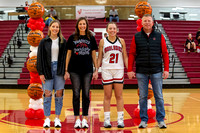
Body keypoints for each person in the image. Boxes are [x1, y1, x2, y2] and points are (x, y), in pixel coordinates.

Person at [127, 14, 169, 129]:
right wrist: (130, 69)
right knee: (142, 97)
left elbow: (165, 53)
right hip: (141, 71)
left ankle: (161, 120)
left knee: (159, 96)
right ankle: (143, 120)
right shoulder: (136, 36)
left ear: (153, 22)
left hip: (156, 70)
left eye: (149, 21)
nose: (147, 23)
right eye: (145, 21)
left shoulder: (159, 36)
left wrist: (166, 69)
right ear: (141, 23)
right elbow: (131, 53)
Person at [64, 17, 98, 129]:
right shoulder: (72, 37)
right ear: (77, 25)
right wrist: (66, 70)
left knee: (86, 94)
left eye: (84, 24)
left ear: (87, 25)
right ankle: (77, 119)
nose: (82, 26)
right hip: (74, 70)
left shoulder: (91, 38)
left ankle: (85, 119)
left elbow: (94, 55)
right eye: (80, 24)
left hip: (87, 70)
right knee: (76, 94)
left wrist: (96, 69)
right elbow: (68, 54)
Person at [37, 20, 67, 128]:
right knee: (47, 94)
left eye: (57, 27)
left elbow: (65, 58)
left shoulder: (63, 41)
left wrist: (65, 71)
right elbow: (39, 58)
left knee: (59, 94)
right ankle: (47, 119)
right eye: (53, 26)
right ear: (49, 27)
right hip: (47, 69)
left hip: (60, 69)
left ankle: (57, 118)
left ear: (59, 29)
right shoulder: (43, 42)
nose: (55, 29)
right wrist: (41, 73)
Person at [97, 22, 128, 128]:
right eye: (110, 28)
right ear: (107, 30)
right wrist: (96, 70)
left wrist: (129, 69)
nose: (112, 30)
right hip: (106, 70)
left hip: (119, 70)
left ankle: (120, 120)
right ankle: (107, 120)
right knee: (107, 96)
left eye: (114, 28)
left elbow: (125, 56)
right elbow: (100, 57)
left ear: (117, 30)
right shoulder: (102, 41)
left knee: (119, 96)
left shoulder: (121, 41)